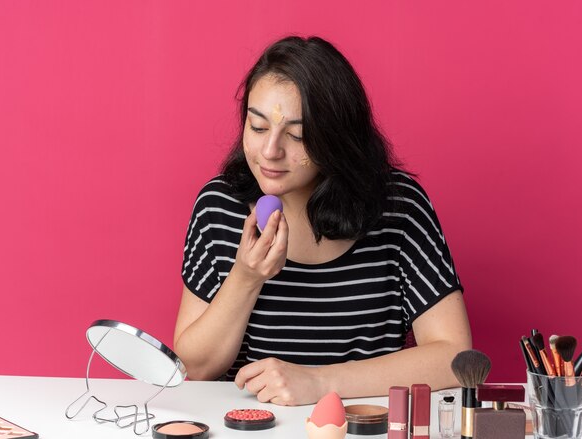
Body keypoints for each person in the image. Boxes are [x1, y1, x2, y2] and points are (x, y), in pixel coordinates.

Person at [174, 36, 471, 406]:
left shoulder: (399, 206)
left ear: (337, 139)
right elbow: (192, 367)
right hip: (255, 426)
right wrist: (246, 277)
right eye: (258, 127)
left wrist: (318, 383)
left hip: (365, 424)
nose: (270, 151)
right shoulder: (221, 204)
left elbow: (455, 358)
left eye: (297, 135)